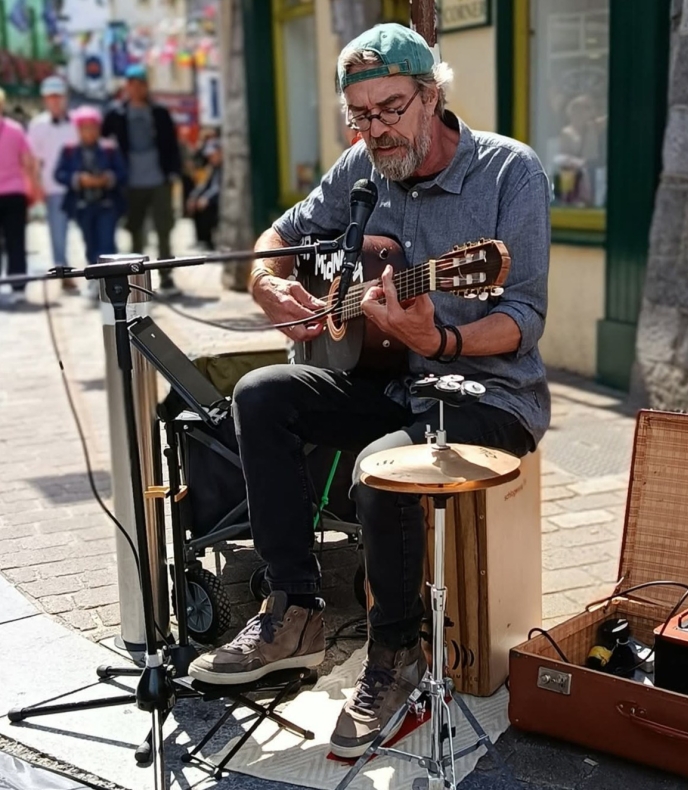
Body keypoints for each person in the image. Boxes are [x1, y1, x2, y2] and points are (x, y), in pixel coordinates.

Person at [188, 23, 551, 759]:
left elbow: (523, 319)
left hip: (486, 393)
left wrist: (439, 339)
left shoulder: (512, 173)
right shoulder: (361, 165)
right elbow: (279, 237)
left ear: (432, 95)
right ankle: (294, 608)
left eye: (390, 110)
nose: (376, 131)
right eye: (360, 115)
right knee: (260, 393)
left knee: (380, 468)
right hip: (391, 382)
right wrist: (266, 281)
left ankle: (396, 653)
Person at [101, 64, 182, 296]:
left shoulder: (159, 113)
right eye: (131, 85)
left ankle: (167, 277)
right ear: (126, 87)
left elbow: (172, 145)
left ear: (146, 87)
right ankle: (135, 279)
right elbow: (105, 145)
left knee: (164, 229)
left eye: (140, 85)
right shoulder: (115, 114)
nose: (136, 89)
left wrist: (173, 172)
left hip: (158, 178)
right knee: (135, 230)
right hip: (130, 181)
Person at [55, 107, 127, 301]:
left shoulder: (109, 149)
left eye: (92, 127)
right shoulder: (69, 151)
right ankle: (95, 279)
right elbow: (59, 174)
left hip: (107, 205)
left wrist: (106, 179)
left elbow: (122, 173)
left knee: (107, 243)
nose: (89, 132)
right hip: (82, 206)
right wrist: (79, 179)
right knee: (90, 243)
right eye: (85, 128)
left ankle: (111, 282)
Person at [27, 76, 79, 292]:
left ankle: (97, 274)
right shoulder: (37, 125)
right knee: (57, 233)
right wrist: (36, 187)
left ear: (65, 98)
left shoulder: (77, 122)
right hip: (52, 186)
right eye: (50, 97)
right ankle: (63, 271)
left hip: (79, 185)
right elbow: (33, 160)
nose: (55, 101)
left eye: (58, 96)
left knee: (87, 231)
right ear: (45, 100)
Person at [0, 86, 41, 308]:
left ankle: (15, 285)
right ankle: (17, 287)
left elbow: (28, 161)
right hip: (15, 193)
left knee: (14, 241)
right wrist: (33, 187)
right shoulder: (16, 130)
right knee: (16, 241)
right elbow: (29, 162)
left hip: (14, 192)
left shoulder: (15, 130)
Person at [186, 138, 221, 250]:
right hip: (211, 200)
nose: (210, 158)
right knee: (196, 205)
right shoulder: (212, 168)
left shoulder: (224, 168)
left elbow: (218, 188)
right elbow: (204, 185)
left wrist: (207, 198)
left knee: (206, 208)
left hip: (218, 202)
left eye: (213, 154)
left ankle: (208, 242)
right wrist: (193, 196)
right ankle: (201, 240)